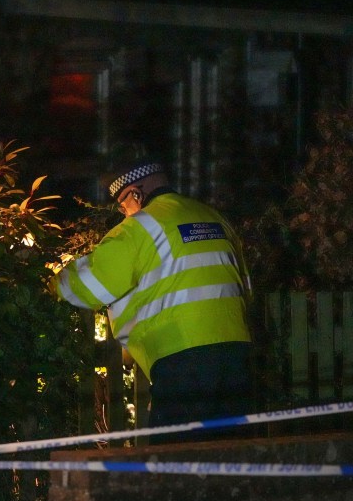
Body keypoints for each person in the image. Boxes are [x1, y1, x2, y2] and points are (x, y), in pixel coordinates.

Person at [52, 158, 256, 441]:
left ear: (136, 192)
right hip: (237, 353)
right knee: (231, 454)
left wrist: (50, 284)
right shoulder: (214, 218)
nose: (125, 212)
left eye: (124, 204)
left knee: (173, 461)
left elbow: (90, 285)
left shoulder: (140, 227)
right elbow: (244, 285)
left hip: (181, 359)